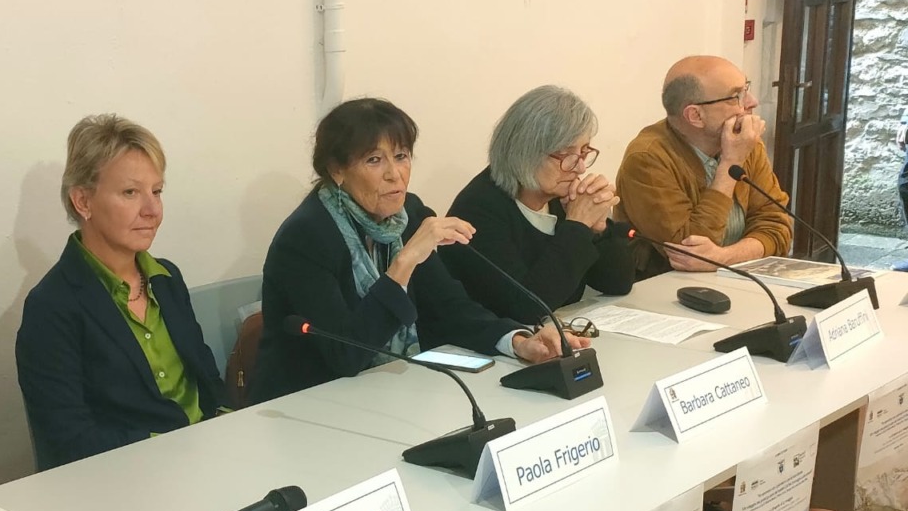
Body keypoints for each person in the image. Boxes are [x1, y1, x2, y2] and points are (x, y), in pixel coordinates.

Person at [250, 97, 588, 403]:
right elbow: (346, 354)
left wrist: (518, 341)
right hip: (305, 405)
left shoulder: (408, 214)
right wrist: (405, 262)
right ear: (337, 170)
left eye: (401, 156)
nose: (394, 175)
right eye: (374, 160)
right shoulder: (307, 237)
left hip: (386, 394)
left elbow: (450, 309)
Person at [16, 114, 223, 470]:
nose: (152, 210)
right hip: (129, 477)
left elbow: (208, 381)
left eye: (156, 191)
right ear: (83, 202)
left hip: (208, 457)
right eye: (131, 192)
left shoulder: (167, 278)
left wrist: (230, 425)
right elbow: (67, 439)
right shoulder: (51, 306)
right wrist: (175, 451)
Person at [441, 85, 634, 323]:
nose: (580, 167)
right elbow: (528, 308)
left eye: (584, 153)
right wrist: (577, 226)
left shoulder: (561, 196)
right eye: (567, 155)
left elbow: (618, 283)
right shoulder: (479, 210)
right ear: (525, 152)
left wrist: (598, 228)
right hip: (493, 340)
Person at [615, 55, 793, 277]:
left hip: (739, 278)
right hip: (669, 287)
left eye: (746, 89)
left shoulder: (744, 141)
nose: (752, 102)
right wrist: (730, 164)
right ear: (695, 115)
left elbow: (777, 226)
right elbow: (689, 253)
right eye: (736, 96)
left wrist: (724, 258)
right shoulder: (647, 159)